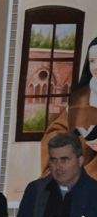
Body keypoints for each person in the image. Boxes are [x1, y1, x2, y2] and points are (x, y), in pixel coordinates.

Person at [41, 37, 97, 180]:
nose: (96, 67)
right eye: (92, 61)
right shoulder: (80, 98)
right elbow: (55, 131)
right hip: (74, 174)